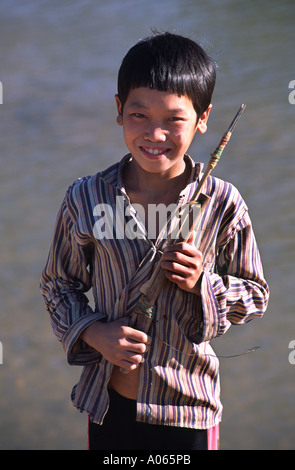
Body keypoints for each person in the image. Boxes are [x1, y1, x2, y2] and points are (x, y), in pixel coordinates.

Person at [40, 32, 269, 451]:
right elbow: (58, 284)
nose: (155, 134)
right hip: (108, 404)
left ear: (203, 119)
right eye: (139, 115)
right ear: (118, 110)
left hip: (189, 409)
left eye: (174, 119)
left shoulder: (222, 203)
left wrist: (203, 283)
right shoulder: (86, 197)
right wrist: (93, 333)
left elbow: (255, 296)